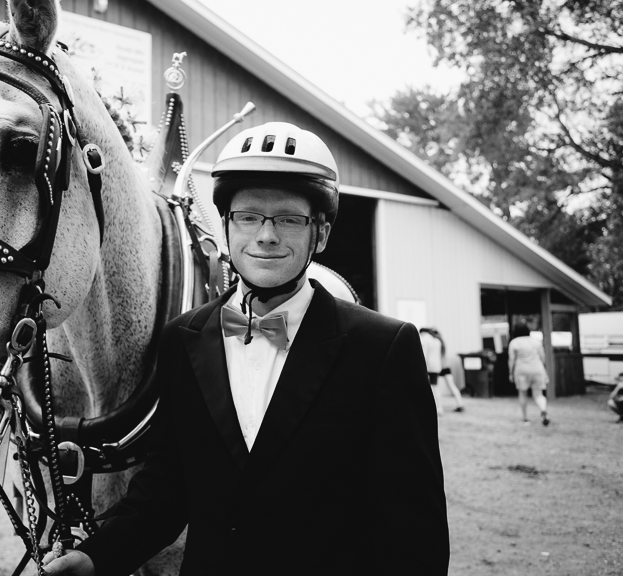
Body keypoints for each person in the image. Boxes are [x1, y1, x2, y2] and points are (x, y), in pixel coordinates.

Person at [44, 123, 449, 575]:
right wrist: (96, 557)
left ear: (322, 233)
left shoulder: (383, 349)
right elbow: (166, 490)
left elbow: (414, 531)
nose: (267, 235)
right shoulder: (183, 340)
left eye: (289, 219)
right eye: (249, 216)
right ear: (227, 227)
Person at [508, 322, 550, 426]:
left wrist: (510, 372)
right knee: (539, 394)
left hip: (521, 371)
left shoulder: (514, 342)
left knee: (522, 393)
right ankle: (543, 410)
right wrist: (544, 370)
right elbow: (543, 357)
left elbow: (511, 359)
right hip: (537, 369)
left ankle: (525, 418)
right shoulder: (536, 342)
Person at [421, 327, 464, 414]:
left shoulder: (430, 340)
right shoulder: (440, 342)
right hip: (442, 366)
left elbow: (426, 354)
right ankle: (460, 403)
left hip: (436, 366)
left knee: (435, 387)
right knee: (450, 386)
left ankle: (439, 407)